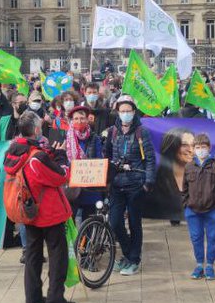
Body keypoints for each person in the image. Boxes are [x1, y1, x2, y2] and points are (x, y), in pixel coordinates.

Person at [5, 110, 75, 303]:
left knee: (33, 255)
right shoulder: (37, 157)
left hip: (28, 211)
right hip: (48, 212)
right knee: (57, 256)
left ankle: (33, 297)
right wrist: (61, 156)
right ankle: (55, 299)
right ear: (36, 129)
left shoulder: (14, 152)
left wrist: (48, 154)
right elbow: (61, 176)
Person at [103, 96, 155, 276]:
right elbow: (107, 155)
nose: (125, 114)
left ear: (134, 112)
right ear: (117, 112)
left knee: (135, 223)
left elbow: (150, 159)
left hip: (136, 185)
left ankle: (134, 260)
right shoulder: (112, 131)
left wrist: (148, 183)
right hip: (117, 185)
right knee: (115, 221)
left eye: (128, 111)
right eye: (122, 111)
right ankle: (128, 253)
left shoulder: (142, 132)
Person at [182, 133, 215, 280]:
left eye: (203, 147)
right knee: (196, 237)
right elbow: (184, 188)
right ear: (193, 149)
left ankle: (210, 265)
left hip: (212, 210)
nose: (201, 150)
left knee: (212, 237)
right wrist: (186, 204)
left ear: (209, 148)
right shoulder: (189, 167)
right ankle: (199, 264)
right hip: (192, 210)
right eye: (198, 147)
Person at [64, 104, 106, 225]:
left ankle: (86, 243)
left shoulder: (94, 138)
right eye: (76, 118)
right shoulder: (67, 138)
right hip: (73, 186)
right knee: (70, 220)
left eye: (82, 118)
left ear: (87, 119)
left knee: (88, 220)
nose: (79, 121)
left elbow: (98, 159)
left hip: (90, 185)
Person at [146, 127, 193, 224]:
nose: (190, 150)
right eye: (184, 145)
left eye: (193, 145)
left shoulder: (200, 177)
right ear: (173, 147)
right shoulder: (157, 184)